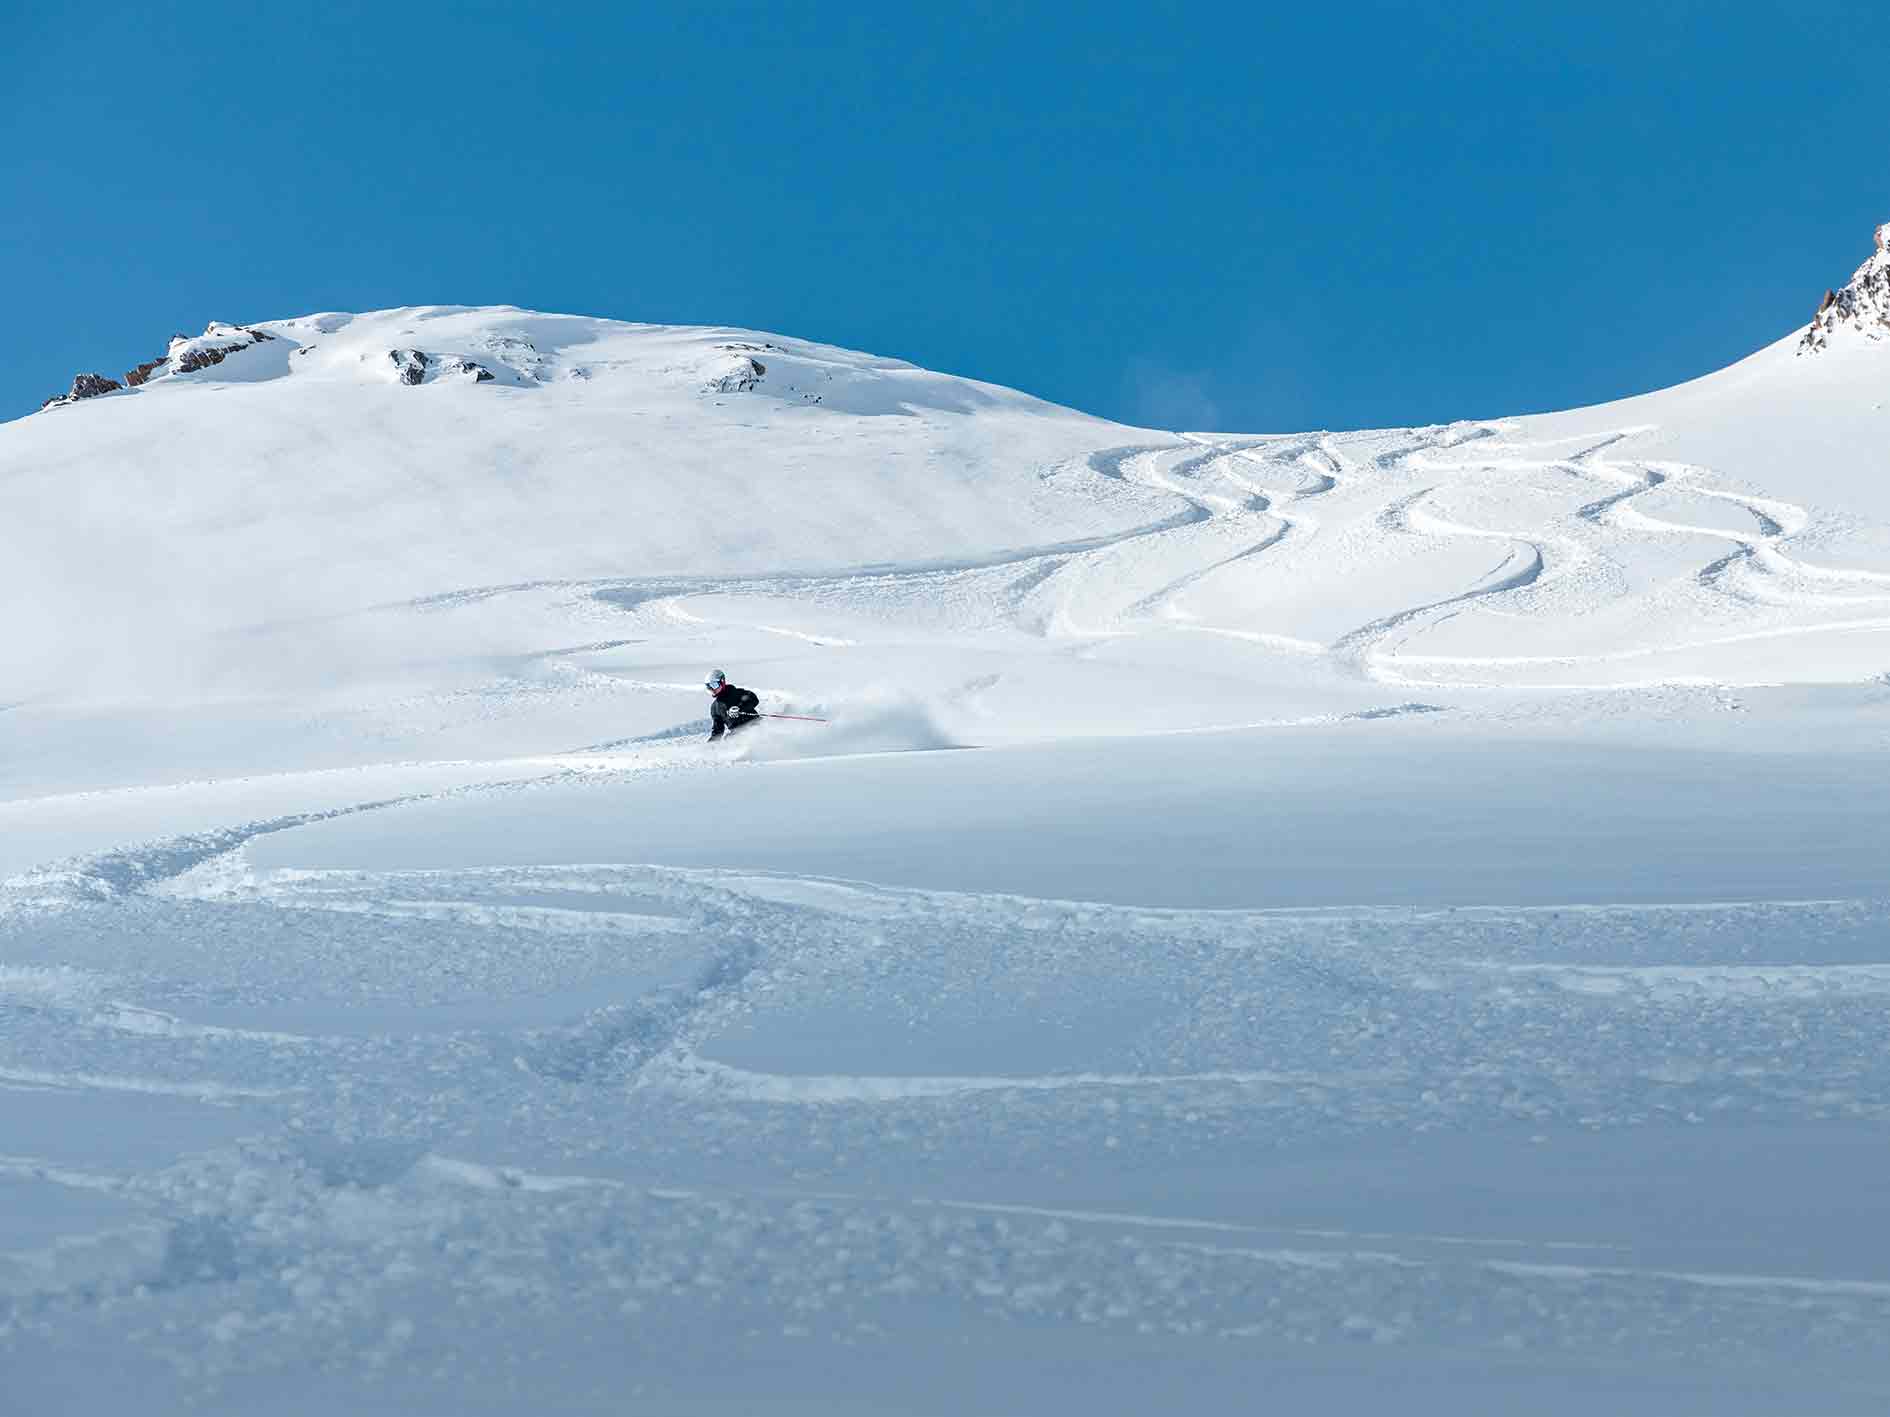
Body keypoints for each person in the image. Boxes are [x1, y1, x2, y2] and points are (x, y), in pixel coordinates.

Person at [704, 669, 760, 742]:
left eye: (714, 685)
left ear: (722, 682)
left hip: (755, 726)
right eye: (709, 687)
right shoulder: (715, 707)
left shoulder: (736, 693)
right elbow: (718, 730)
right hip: (739, 735)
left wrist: (740, 707)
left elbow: (753, 699)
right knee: (728, 739)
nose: (712, 689)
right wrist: (711, 743)